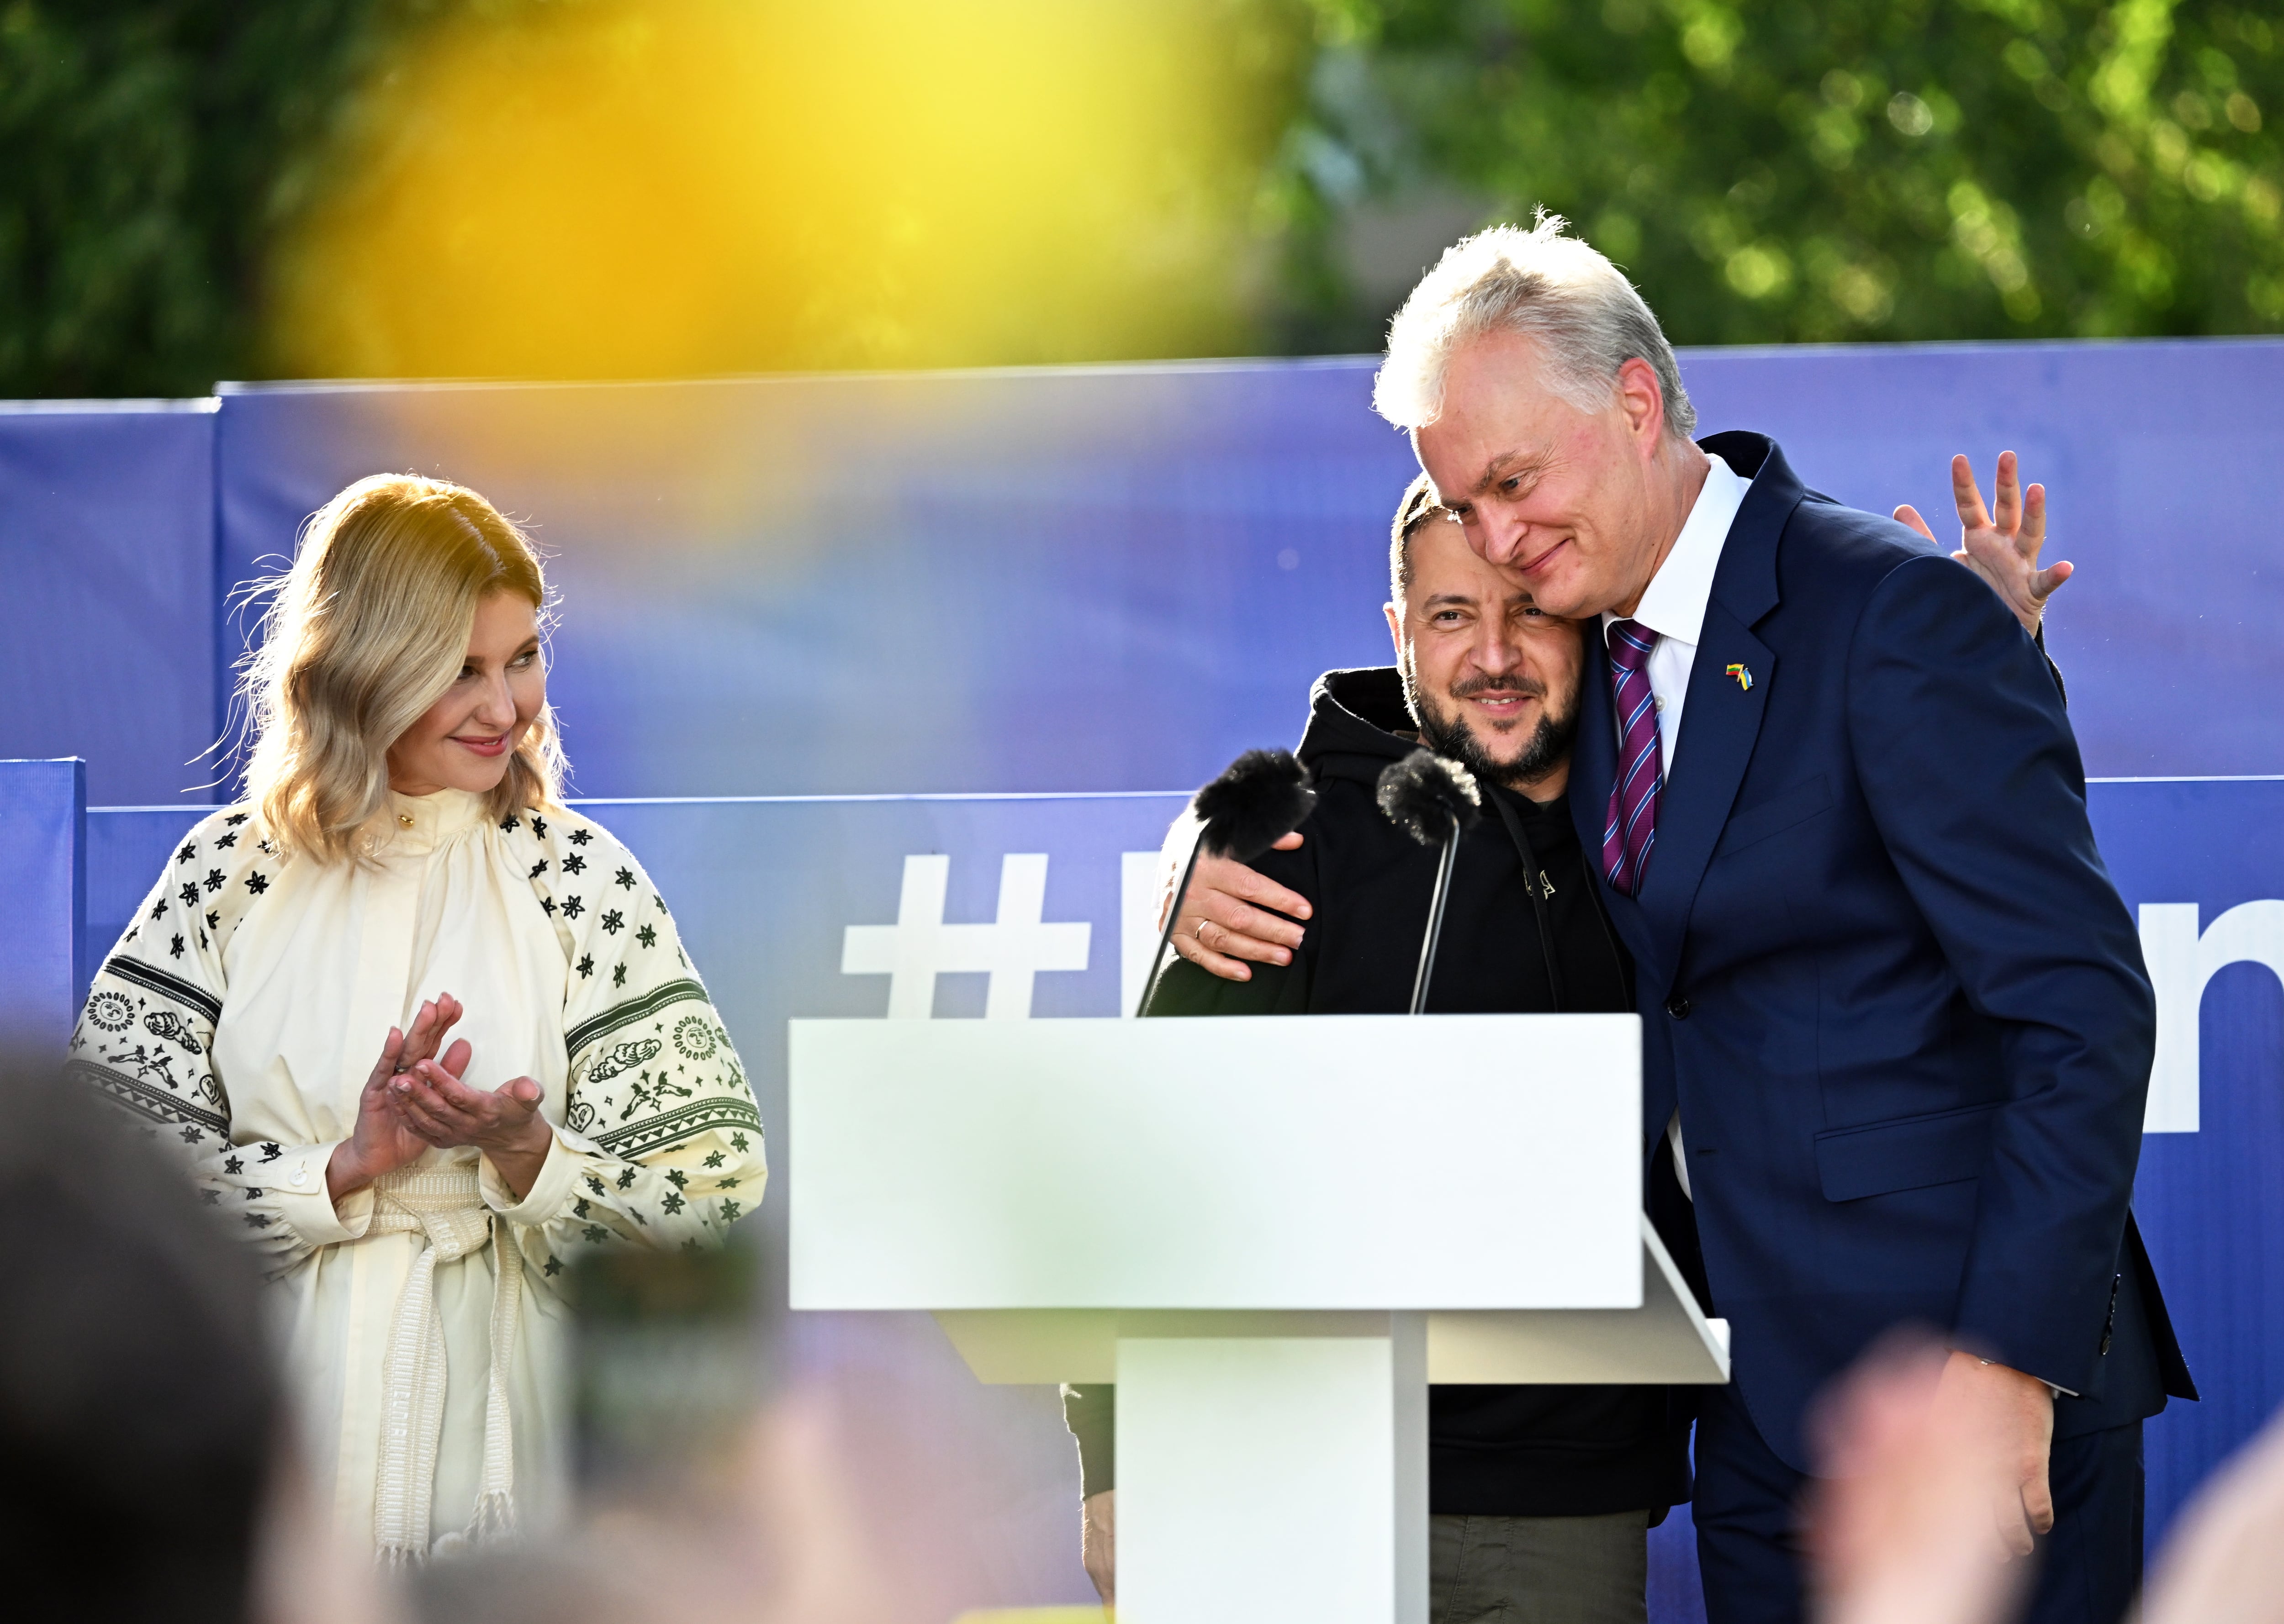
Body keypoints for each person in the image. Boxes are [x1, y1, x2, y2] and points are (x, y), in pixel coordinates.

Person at [1162, 216, 2194, 1624]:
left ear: (1636, 403)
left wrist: (2013, 1366)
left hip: (1964, 1396)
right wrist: (1211, 849)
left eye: (1517, 482)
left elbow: (2079, 1005)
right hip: (1755, 1425)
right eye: (1468, 506)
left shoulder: (1886, 618)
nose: (1505, 544)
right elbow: (1416, 728)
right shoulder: (1595, 657)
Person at [65, 474, 768, 1564]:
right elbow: (110, 1204)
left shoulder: (581, 880)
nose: (508, 707)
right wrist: (335, 1174)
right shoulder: (228, 876)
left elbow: (714, 1196)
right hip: (271, 1448)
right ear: (362, 670)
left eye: (524, 657)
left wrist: (536, 1159)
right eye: (461, 670)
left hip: (529, 1471)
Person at [1068, 473, 1684, 1624]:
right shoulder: (1287, 840)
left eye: (1528, 609)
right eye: (1452, 615)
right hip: (1290, 1478)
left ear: (1588, 615)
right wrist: (1113, 1453)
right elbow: (1147, 1162)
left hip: (1565, 1508)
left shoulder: (1664, 824)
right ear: (1401, 632)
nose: (1493, 653)